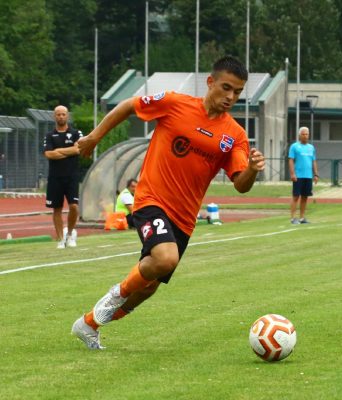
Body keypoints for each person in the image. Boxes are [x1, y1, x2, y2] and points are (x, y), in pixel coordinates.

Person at [71, 56, 265, 349]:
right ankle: (111, 297)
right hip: (151, 199)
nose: (230, 97)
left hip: (184, 219)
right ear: (210, 82)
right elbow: (128, 106)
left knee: (148, 289)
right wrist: (94, 138)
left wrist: (251, 169)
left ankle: (89, 324)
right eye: (226, 87)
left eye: (237, 92)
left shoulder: (235, 136)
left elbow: (241, 185)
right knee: (165, 259)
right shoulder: (175, 103)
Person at [43, 105, 82, 249]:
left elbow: (78, 149)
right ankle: (60, 239)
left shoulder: (76, 133)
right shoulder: (49, 135)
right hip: (55, 177)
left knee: (74, 206)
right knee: (56, 209)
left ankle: (70, 234)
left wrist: (59, 150)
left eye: (63, 114)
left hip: (71, 176)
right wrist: (69, 151)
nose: (61, 117)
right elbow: (48, 154)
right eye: (58, 114)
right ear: (54, 116)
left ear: (67, 116)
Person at [288, 126, 319, 224]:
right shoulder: (294, 146)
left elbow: (313, 161)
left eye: (307, 134)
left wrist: (316, 174)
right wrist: (293, 173)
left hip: (308, 176)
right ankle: (293, 218)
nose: (305, 136)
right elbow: (291, 160)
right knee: (296, 196)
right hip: (298, 176)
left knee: (305, 197)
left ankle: (302, 218)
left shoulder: (311, 147)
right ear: (299, 135)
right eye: (303, 134)